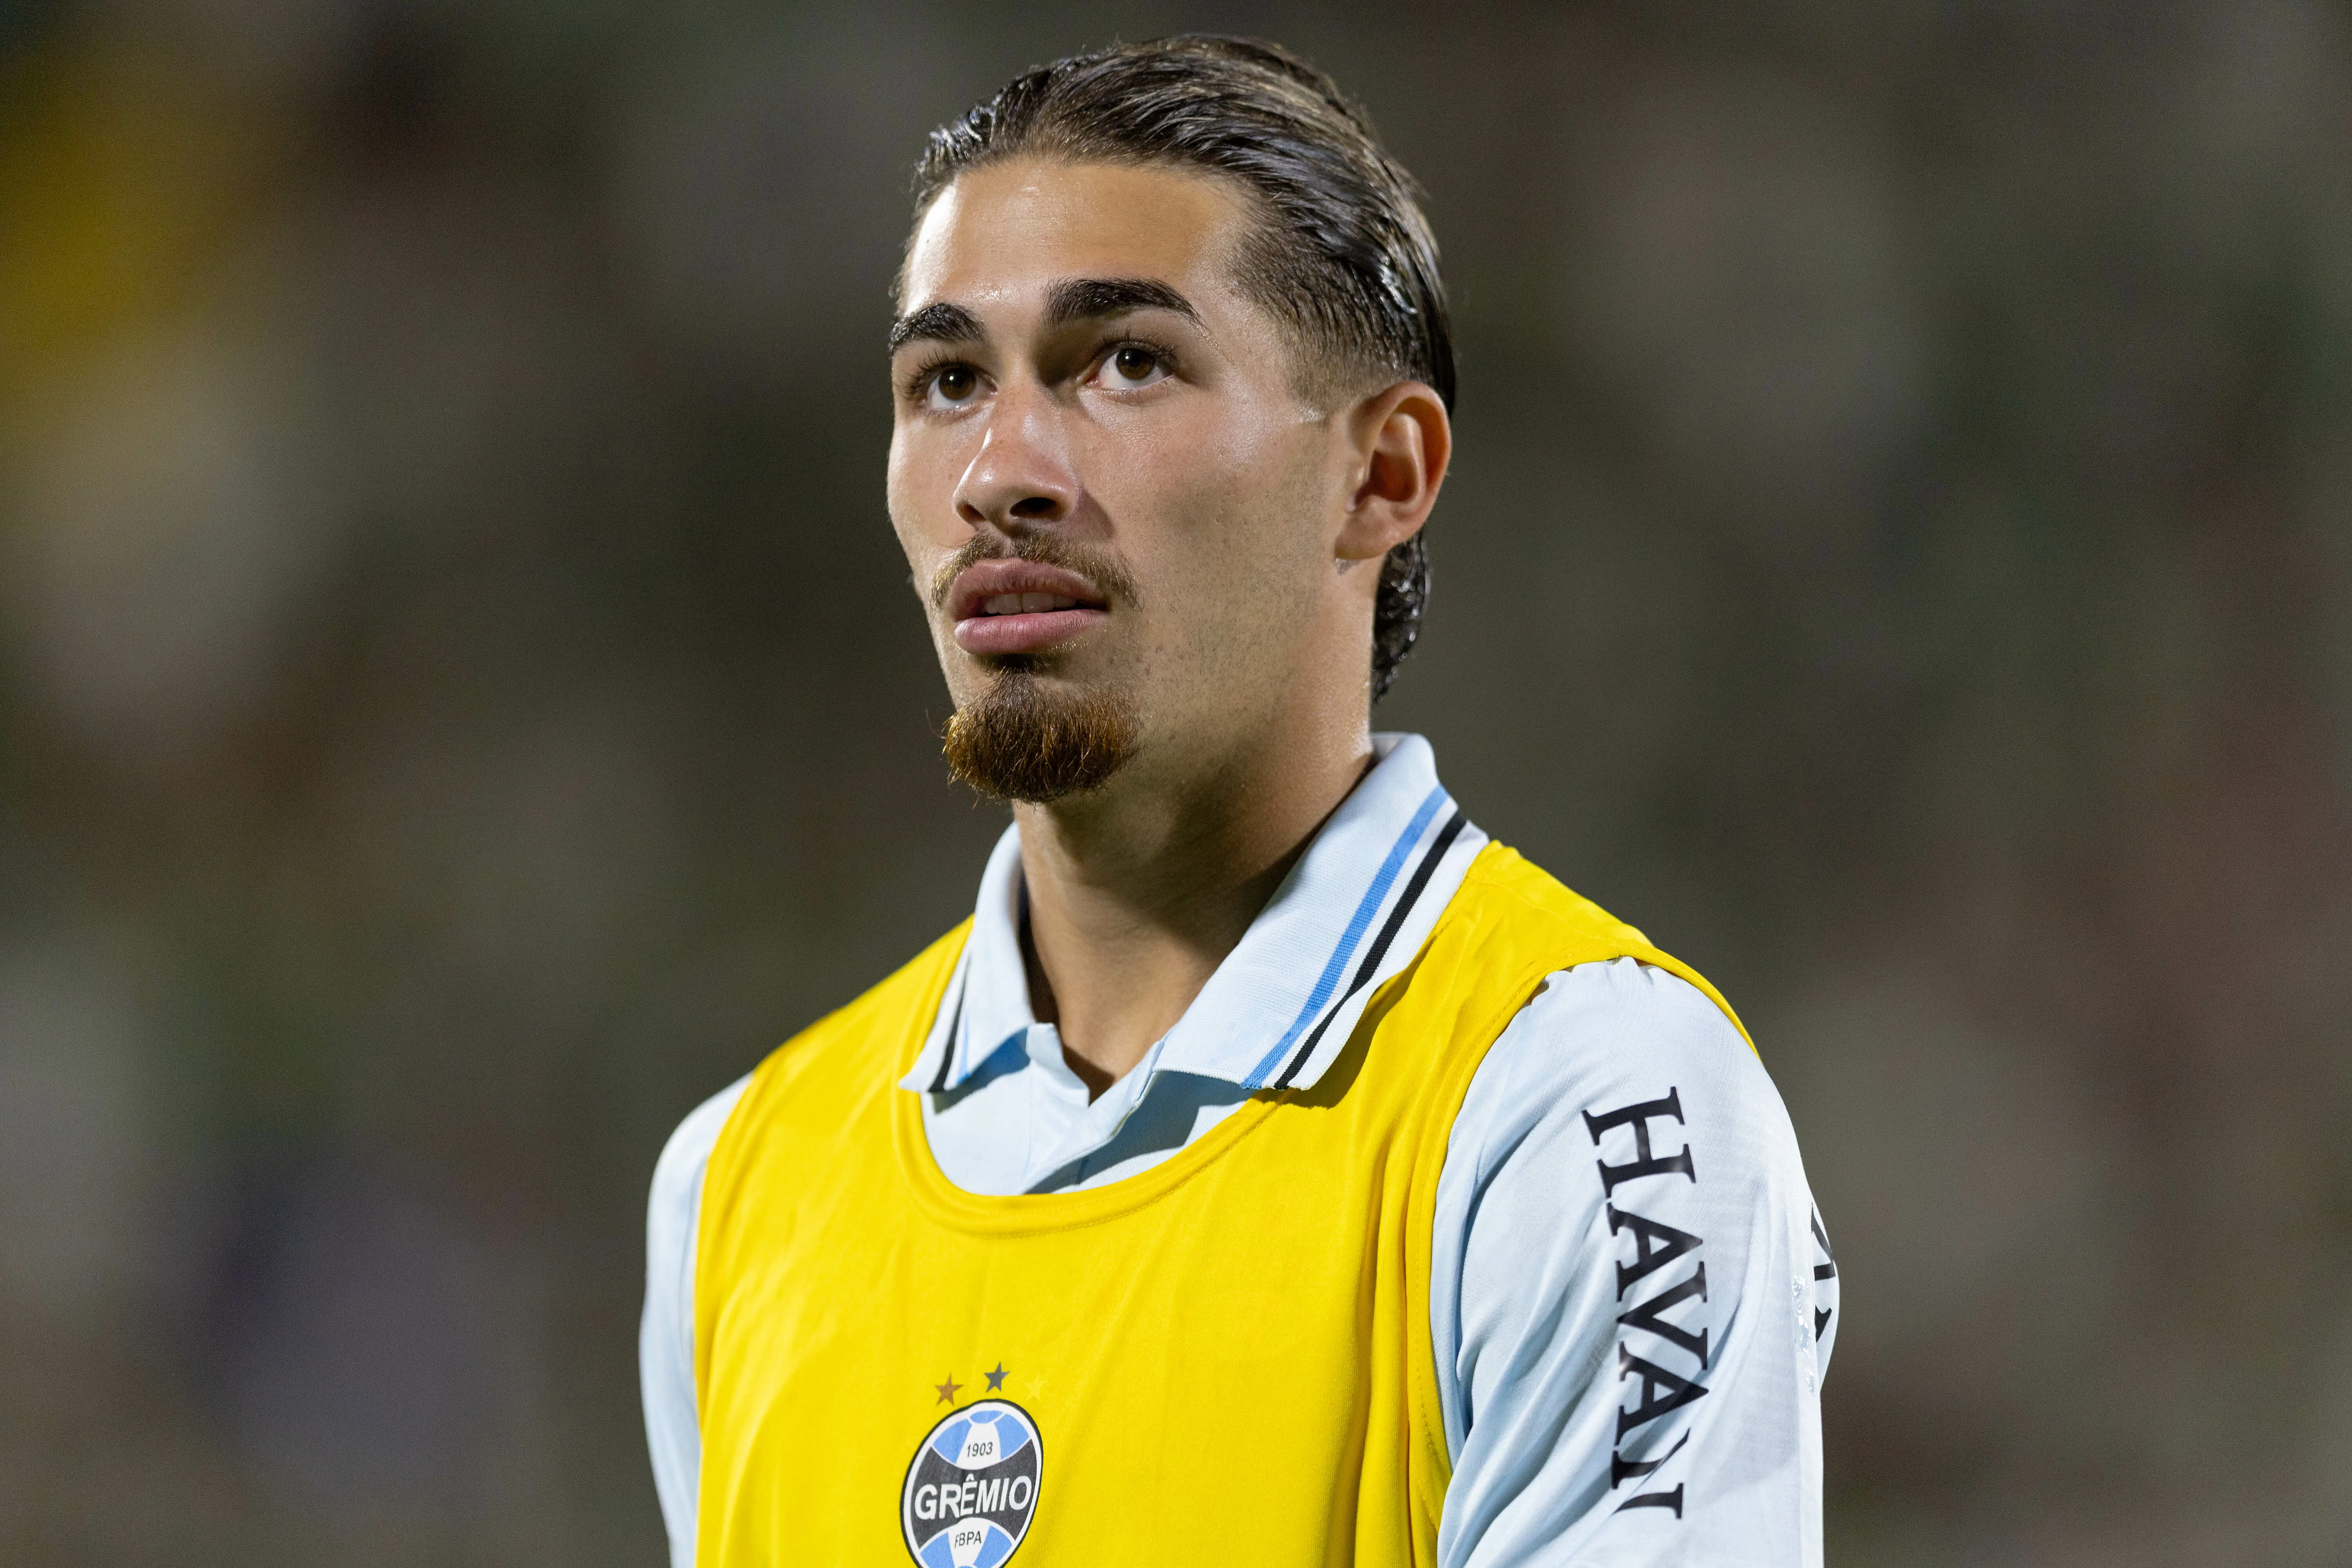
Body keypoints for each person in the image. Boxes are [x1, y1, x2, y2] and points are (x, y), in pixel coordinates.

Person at [641, 34, 1837, 1568]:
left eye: (1125, 361)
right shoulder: (742, 1186)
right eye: (948, 380)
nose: (1001, 467)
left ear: (1382, 475)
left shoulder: (1583, 1102)